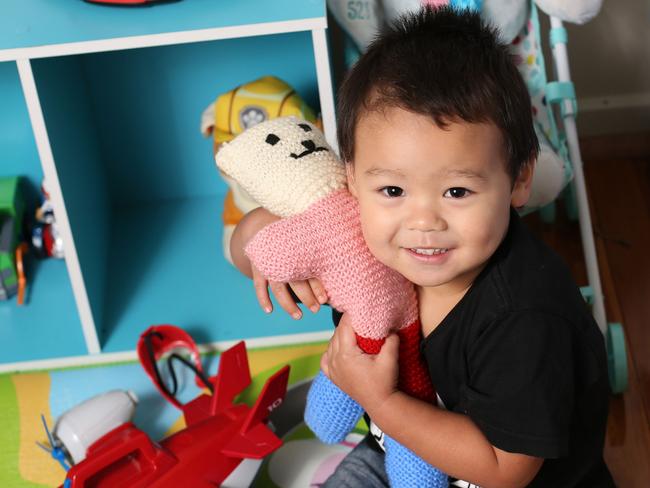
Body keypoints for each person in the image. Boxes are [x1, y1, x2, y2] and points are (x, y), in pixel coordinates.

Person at [230, 6, 613, 487]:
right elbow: (247, 244)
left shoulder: (525, 318)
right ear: (351, 182)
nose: (423, 222)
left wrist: (381, 401)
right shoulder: (362, 231)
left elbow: (506, 468)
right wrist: (260, 242)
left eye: (457, 192)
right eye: (393, 191)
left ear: (519, 179)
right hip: (393, 457)